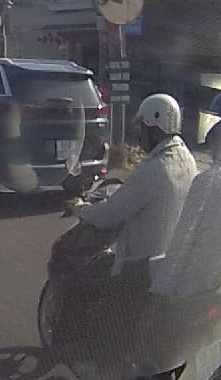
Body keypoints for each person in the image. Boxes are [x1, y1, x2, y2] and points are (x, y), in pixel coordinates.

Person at [72, 92, 197, 297]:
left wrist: (80, 208)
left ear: (154, 128)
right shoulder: (187, 159)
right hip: (168, 261)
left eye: (142, 128)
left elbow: (109, 215)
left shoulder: (154, 170)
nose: (139, 136)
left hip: (138, 269)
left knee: (85, 288)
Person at [151, 92, 221, 300]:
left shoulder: (208, 181)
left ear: (217, 131)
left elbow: (182, 242)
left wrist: (158, 291)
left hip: (188, 287)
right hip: (216, 279)